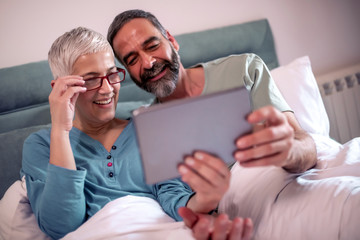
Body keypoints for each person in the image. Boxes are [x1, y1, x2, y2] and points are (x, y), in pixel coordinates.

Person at [20, 27, 252, 240]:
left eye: (112, 74)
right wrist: (61, 131)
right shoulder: (42, 146)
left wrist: (205, 199)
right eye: (91, 80)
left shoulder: (150, 129)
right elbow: (62, 226)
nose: (107, 89)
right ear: (60, 90)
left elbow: (174, 197)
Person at [107, 9, 317, 237]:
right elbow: (176, 199)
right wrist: (207, 209)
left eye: (151, 46)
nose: (147, 63)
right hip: (242, 208)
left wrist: (290, 151)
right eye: (133, 59)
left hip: (292, 182)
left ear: (171, 40)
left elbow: (304, 145)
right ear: (128, 72)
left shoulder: (244, 69)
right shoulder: (150, 128)